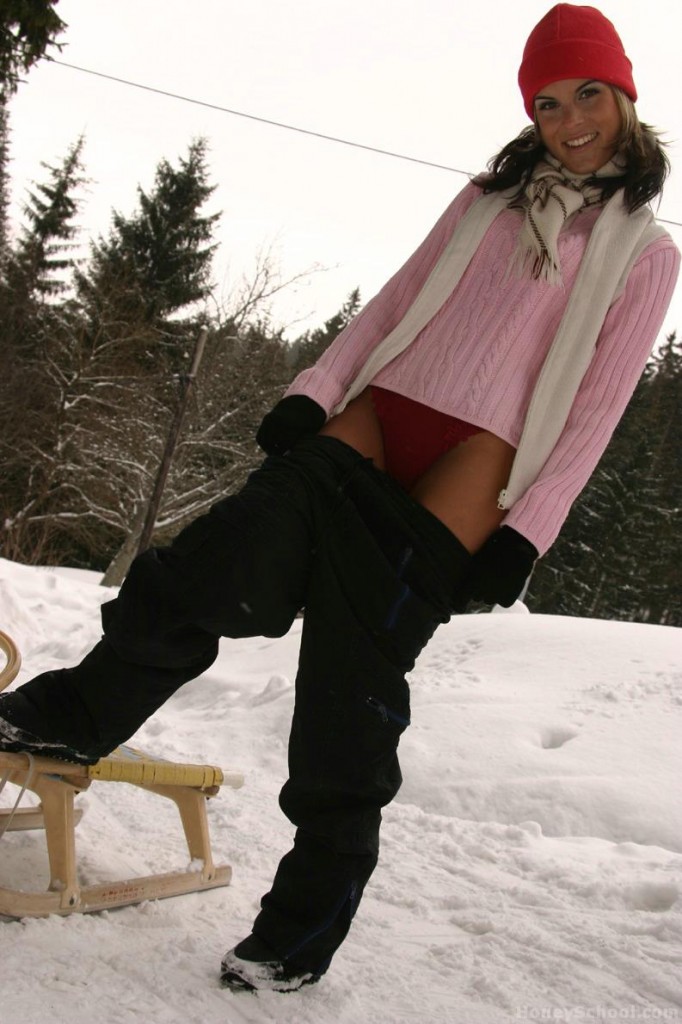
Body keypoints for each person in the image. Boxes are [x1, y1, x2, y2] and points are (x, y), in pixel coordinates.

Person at [0, 2, 679, 993]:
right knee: (215, 563)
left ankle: (300, 925)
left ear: (621, 95)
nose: (569, 120)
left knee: (349, 690)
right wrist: (313, 391)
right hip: (379, 408)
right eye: (547, 102)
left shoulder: (646, 254)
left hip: (478, 459)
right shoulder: (484, 199)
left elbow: (596, 408)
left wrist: (527, 531)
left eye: (586, 95)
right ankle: (73, 714)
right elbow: (397, 300)